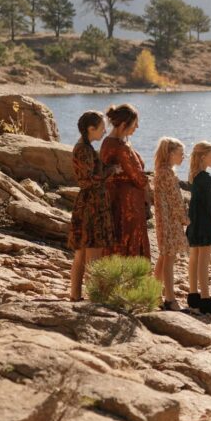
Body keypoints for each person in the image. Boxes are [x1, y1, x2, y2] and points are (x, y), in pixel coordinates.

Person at [67, 111, 117, 301]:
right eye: (102, 128)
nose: (104, 132)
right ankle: (96, 298)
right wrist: (111, 170)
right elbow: (88, 180)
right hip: (92, 205)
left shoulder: (84, 147)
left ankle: (76, 296)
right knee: (93, 253)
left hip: (88, 203)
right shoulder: (84, 149)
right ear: (91, 129)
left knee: (81, 253)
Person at [101, 104, 151, 260]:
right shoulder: (120, 147)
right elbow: (139, 177)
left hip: (116, 200)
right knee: (129, 241)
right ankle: (131, 282)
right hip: (128, 204)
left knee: (118, 240)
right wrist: (150, 192)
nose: (137, 127)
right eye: (135, 123)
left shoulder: (107, 142)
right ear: (123, 125)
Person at [186, 141, 211, 315]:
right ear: (203, 157)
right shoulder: (206, 178)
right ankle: (206, 299)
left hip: (194, 222)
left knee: (194, 258)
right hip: (204, 223)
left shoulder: (193, 175)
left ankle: (193, 295)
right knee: (203, 261)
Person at [152, 137, 188, 311]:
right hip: (169, 221)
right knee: (169, 258)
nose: (184, 157)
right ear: (171, 154)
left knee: (163, 256)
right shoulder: (167, 173)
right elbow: (175, 200)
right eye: (181, 154)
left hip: (163, 219)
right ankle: (170, 298)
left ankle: (153, 293)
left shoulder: (161, 170)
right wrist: (184, 218)